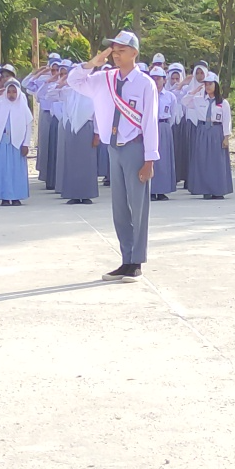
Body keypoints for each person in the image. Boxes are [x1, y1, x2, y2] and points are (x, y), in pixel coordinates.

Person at [66, 31, 160, 283]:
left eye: (121, 50)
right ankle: (125, 259)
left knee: (138, 207)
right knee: (119, 206)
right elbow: (74, 81)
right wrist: (91, 64)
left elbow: (150, 122)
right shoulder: (103, 79)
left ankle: (137, 262)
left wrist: (150, 159)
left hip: (135, 146)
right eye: (113, 50)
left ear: (134, 53)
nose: (116, 54)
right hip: (113, 147)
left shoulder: (145, 83)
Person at [55, 63, 101, 205]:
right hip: (72, 127)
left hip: (87, 127)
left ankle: (86, 194)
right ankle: (73, 194)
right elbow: (50, 94)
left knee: (87, 163)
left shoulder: (92, 91)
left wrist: (97, 133)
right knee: (72, 162)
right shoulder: (69, 91)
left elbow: (98, 114)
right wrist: (62, 81)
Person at [184, 72, 233, 199]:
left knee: (217, 161)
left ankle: (218, 190)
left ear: (216, 85)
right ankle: (205, 189)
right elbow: (184, 101)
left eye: (210, 84)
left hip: (216, 131)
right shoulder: (199, 100)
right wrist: (195, 90)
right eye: (206, 84)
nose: (208, 87)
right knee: (203, 159)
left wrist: (226, 137)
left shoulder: (223, 103)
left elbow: (227, 120)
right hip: (202, 130)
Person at [0, 78, 33, 206]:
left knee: (16, 170)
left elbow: (28, 125)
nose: (11, 94)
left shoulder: (22, 107)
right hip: (2, 143)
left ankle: (16, 196)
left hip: (17, 144)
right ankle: (4, 197)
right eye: (9, 92)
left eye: (14, 92)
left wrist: (26, 144)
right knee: (3, 170)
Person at [150, 66, 179, 200]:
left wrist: (165, 127)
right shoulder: (146, 95)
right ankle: (150, 189)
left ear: (164, 80)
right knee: (150, 158)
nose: (156, 81)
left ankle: (162, 190)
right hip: (149, 127)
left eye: (158, 78)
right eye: (153, 78)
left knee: (164, 159)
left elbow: (173, 115)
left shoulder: (170, 96)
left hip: (164, 126)